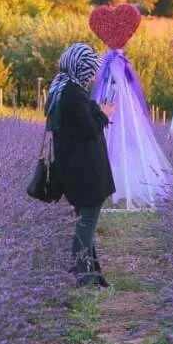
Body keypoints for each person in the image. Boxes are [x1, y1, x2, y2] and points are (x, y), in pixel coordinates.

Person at [47, 43, 117, 288]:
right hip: (85, 170)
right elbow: (89, 129)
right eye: (92, 69)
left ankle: (90, 275)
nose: (94, 74)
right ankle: (83, 277)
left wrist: (97, 111)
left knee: (84, 222)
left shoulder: (61, 88)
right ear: (82, 67)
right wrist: (105, 114)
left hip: (73, 168)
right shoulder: (72, 94)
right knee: (85, 226)